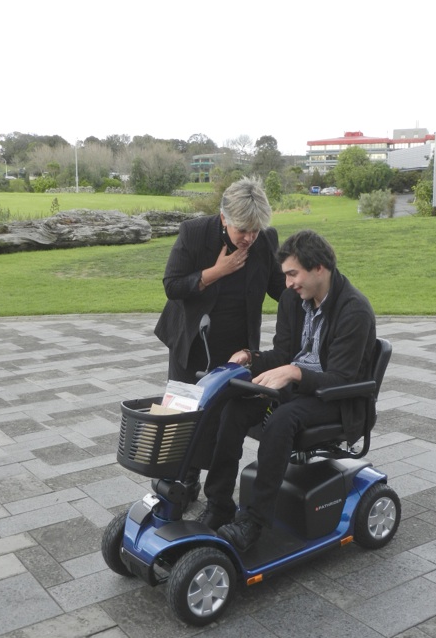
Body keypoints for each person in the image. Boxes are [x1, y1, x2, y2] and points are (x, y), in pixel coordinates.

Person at [197, 229, 377, 552]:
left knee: (282, 419)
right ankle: (219, 503)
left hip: (336, 400)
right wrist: (250, 358)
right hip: (298, 389)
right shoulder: (293, 300)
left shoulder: (354, 311)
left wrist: (293, 373)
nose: (288, 283)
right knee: (233, 407)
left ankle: (253, 522)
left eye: (293, 274)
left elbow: (340, 380)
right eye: (286, 275)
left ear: (319, 268)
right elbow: (282, 356)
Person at [154, 176, 286, 507]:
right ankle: (181, 481)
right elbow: (172, 285)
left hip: (236, 347)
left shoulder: (264, 239)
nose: (249, 237)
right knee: (183, 414)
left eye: (255, 230)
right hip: (194, 340)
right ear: (224, 217)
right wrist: (218, 270)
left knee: (223, 418)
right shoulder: (194, 233)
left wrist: (309, 295)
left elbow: (277, 288)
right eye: (243, 230)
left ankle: (217, 490)